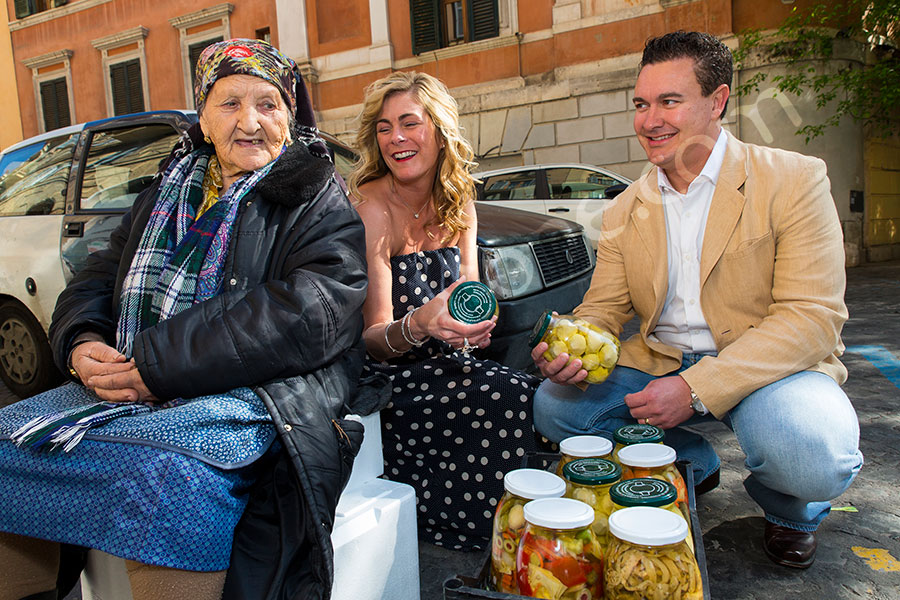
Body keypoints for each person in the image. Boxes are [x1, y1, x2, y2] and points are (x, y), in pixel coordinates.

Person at [0, 39, 369, 600]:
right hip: (137, 375)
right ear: (203, 115)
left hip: (260, 390)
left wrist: (158, 365)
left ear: (289, 119)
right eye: (230, 103)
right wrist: (80, 343)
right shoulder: (164, 191)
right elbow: (95, 279)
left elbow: (314, 310)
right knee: (10, 443)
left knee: (170, 480)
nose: (250, 121)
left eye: (267, 104)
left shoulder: (315, 193)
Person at [531, 31, 863, 569]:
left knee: (811, 452)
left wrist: (696, 387)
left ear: (718, 101)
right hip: (659, 361)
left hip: (769, 366)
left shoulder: (795, 179)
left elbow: (812, 319)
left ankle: (791, 511)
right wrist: (571, 345)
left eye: (669, 101)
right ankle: (692, 463)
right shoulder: (623, 209)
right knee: (553, 406)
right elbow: (604, 310)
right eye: (641, 104)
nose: (649, 119)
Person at [349, 71, 540, 550]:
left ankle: (515, 527)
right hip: (391, 382)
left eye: (409, 123)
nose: (396, 138)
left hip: (451, 365)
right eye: (385, 127)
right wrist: (420, 324)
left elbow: (469, 294)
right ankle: (490, 531)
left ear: (439, 130)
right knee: (506, 394)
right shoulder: (371, 208)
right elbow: (372, 338)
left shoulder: (459, 201)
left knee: (527, 389)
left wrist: (474, 327)